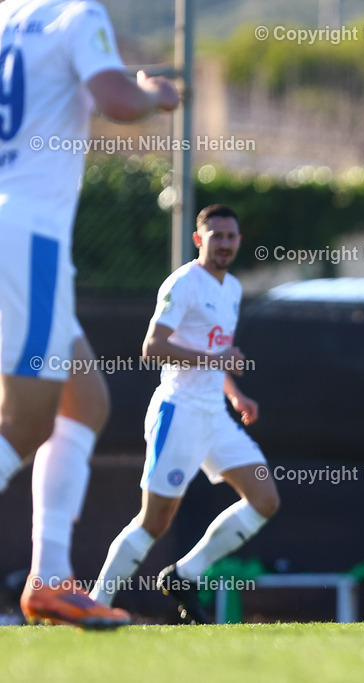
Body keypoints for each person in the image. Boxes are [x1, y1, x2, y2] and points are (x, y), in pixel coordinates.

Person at [0, 0, 178, 628]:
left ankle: (49, 581)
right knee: (24, 424)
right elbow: (119, 102)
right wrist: (154, 92)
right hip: (28, 238)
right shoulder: (77, 15)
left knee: (85, 402)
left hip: (13, 230)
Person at [89, 205, 279, 624]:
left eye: (231, 236)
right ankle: (96, 604)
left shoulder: (231, 287)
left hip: (215, 415)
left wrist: (235, 394)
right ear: (199, 239)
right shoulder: (183, 282)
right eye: (217, 236)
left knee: (265, 499)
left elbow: (216, 352)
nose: (225, 243)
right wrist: (218, 359)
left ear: (239, 241)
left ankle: (185, 575)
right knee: (154, 522)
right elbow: (152, 347)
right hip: (178, 413)